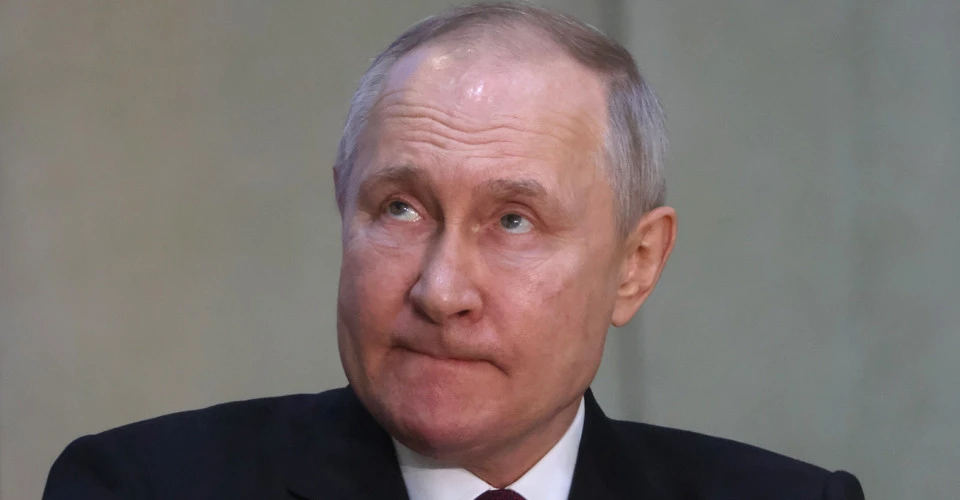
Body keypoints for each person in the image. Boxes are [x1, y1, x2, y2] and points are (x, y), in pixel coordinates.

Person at [43, 2, 865, 499]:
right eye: (400, 208)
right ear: (343, 208)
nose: (440, 291)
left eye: (514, 221)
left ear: (636, 265)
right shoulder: (141, 488)